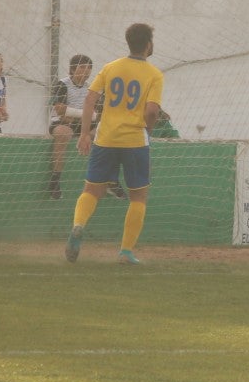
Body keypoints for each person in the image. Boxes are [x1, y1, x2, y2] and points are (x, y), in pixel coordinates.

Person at [64, 23, 164, 266]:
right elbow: (151, 111)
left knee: (91, 191)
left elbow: (90, 99)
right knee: (138, 197)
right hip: (134, 141)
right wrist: (147, 130)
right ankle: (125, 252)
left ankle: (78, 226)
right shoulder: (154, 74)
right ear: (148, 44)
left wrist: (85, 134)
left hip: (105, 138)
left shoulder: (110, 67)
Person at [49, 53, 95, 199]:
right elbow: (60, 110)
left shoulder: (91, 88)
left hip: (81, 124)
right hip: (62, 123)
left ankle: (106, 179)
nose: (86, 71)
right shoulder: (62, 84)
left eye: (89, 68)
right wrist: (85, 115)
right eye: (82, 67)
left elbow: (96, 114)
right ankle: (55, 179)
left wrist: (82, 117)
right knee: (63, 133)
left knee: (104, 133)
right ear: (73, 69)